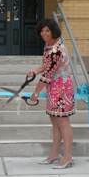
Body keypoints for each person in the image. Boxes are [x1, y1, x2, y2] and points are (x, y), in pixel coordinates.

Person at [28, 19, 75, 169]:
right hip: (53, 88)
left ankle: (67, 156)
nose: (44, 33)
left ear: (53, 31)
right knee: (55, 122)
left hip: (61, 89)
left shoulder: (56, 50)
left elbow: (48, 74)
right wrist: (35, 70)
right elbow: (46, 64)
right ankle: (54, 153)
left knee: (63, 123)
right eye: (42, 31)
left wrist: (35, 93)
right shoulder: (50, 46)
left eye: (47, 30)